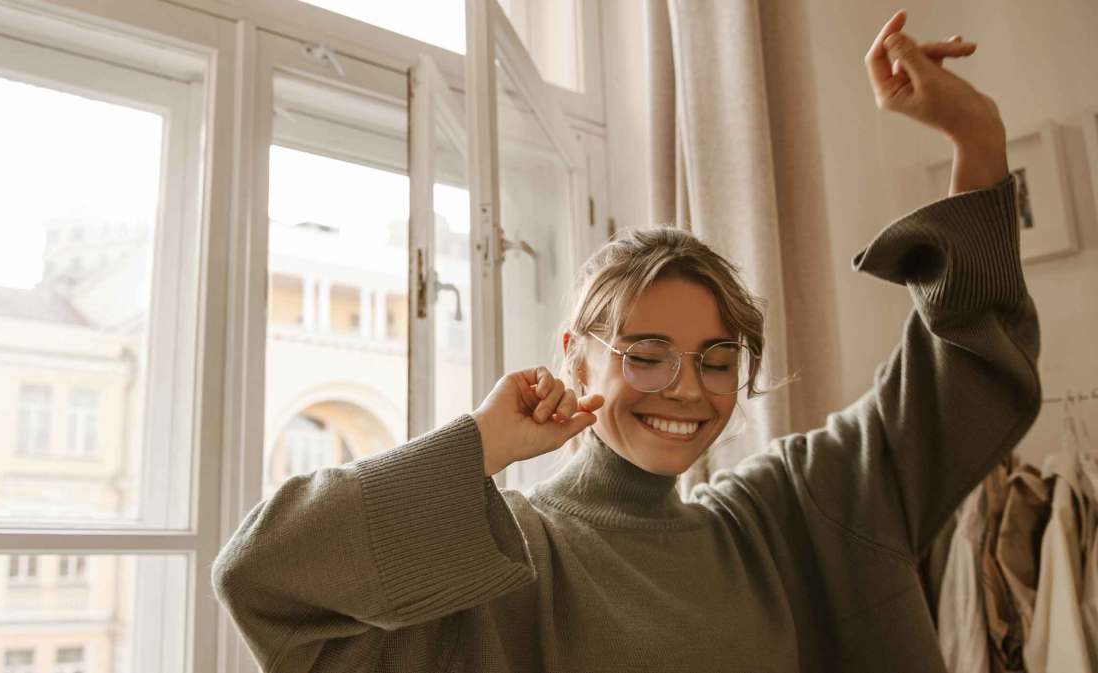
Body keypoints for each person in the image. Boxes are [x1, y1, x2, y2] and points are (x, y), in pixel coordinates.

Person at [212, 9, 1041, 672]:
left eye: (719, 359)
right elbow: (263, 575)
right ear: (576, 355)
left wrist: (976, 138)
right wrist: (481, 446)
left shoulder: (781, 517)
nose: (687, 387)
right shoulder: (511, 554)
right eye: (646, 353)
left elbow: (957, 382)